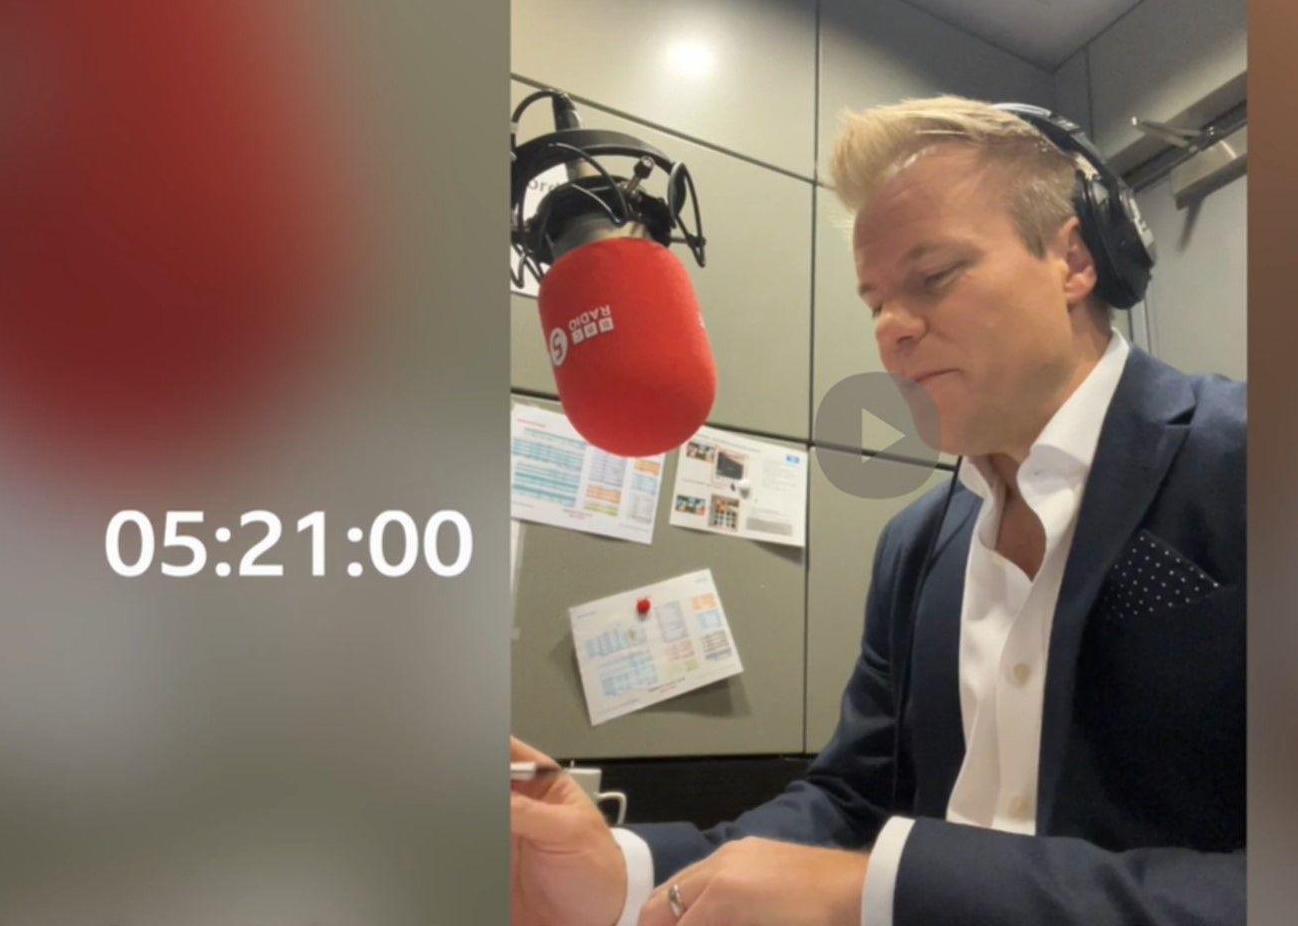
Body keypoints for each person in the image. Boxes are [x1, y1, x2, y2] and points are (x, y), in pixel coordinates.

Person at [510, 96, 1246, 925]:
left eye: (934, 278)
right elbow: (851, 801)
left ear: (1073, 262)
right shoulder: (915, 546)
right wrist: (620, 873)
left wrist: (884, 892)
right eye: (874, 302)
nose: (891, 329)